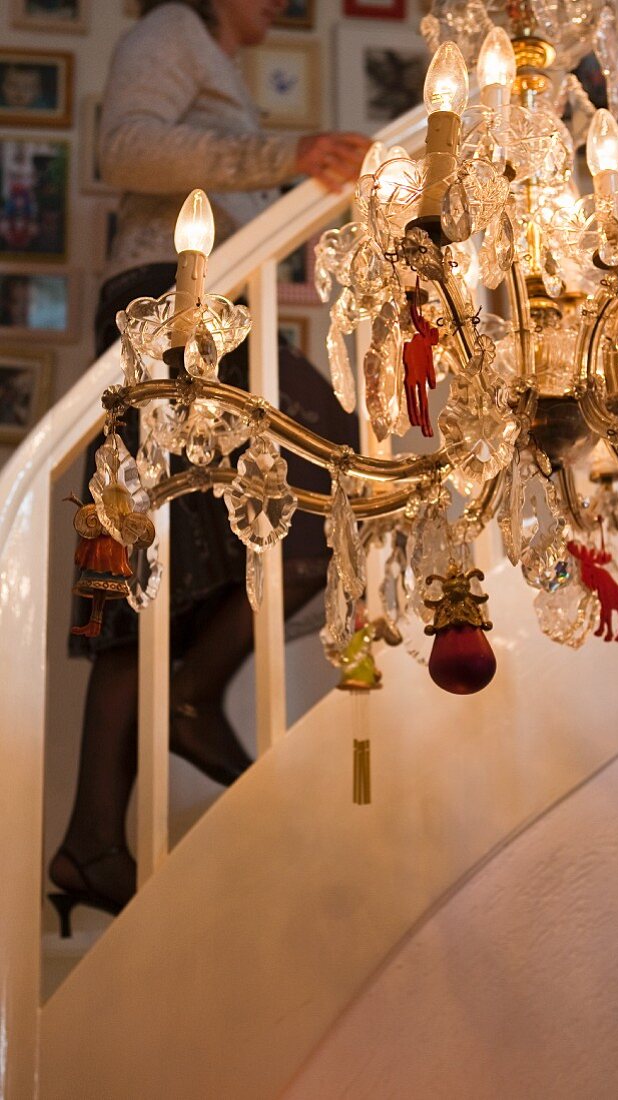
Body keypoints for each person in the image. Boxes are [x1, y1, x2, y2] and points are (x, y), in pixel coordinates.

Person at [48, 0, 371, 933]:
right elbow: (130, 152)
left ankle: (94, 839)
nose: (283, 3)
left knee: (162, 574)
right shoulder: (170, 32)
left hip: (204, 309)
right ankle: (189, 699)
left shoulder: (209, 56)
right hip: (168, 304)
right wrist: (284, 156)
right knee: (320, 471)